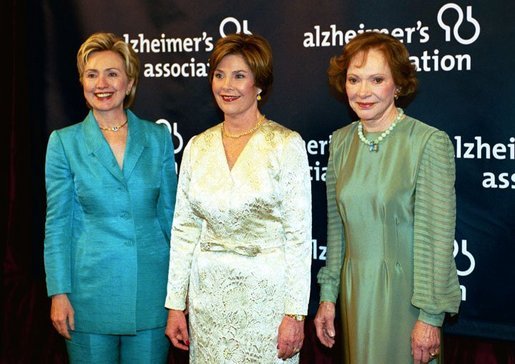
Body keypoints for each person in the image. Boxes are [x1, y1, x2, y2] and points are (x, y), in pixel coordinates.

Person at [314, 32, 461, 364]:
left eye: (376, 79)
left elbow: (437, 240)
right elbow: (336, 233)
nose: (363, 91)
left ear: (397, 85)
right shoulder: (339, 143)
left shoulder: (427, 142)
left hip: (407, 298)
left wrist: (430, 317)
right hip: (355, 295)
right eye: (354, 79)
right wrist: (327, 298)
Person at [164, 33, 312, 363]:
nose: (226, 86)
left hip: (267, 304)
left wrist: (295, 313)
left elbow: (299, 238)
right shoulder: (197, 147)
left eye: (239, 76)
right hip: (208, 302)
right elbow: (184, 232)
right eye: (219, 75)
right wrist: (175, 304)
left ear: (259, 85)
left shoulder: (285, 145)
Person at [44, 32, 177, 363]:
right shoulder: (63, 143)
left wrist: (179, 293)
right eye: (92, 74)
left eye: (112, 73)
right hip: (87, 298)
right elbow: (57, 224)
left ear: (130, 83)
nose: (101, 83)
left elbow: (172, 217)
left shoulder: (158, 137)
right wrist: (58, 292)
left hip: (152, 294)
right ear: (82, 82)